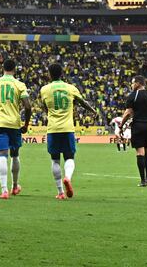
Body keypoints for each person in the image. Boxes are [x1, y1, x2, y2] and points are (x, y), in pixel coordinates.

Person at [40, 63, 97, 200]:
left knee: (55, 160)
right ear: (62, 73)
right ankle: (68, 177)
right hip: (67, 128)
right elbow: (82, 101)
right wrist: (92, 110)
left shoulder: (44, 89)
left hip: (53, 129)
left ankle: (60, 192)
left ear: (49, 74)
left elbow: (45, 107)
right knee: (69, 157)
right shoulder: (71, 88)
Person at [0, 58, 32, 199]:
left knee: (2, 155)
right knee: (15, 155)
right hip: (14, 124)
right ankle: (15, 187)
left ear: (2, 68)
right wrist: (26, 124)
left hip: (0, 124)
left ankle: (4, 190)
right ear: (15, 69)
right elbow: (28, 107)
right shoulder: (19, 84)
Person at [118, 76, 147, 187]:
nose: (131, 85)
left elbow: (128, 113)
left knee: (140, 152)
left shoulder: (133, 95)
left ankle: (143, 180)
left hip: (138, 125)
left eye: (133, 83)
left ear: (138, 83)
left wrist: (121, 126)